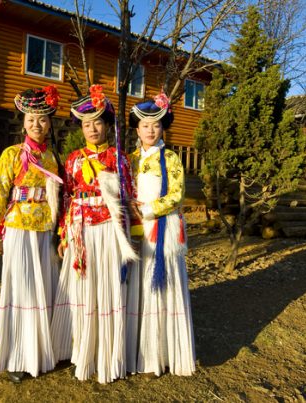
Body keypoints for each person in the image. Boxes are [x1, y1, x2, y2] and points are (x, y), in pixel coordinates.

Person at [50, 85, 140, 384]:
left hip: (110, 231)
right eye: (86, 124)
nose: (92, 129)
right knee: (84, 291)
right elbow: (66, 199)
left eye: (97, 123)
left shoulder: (119, 158)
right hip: (81, 231)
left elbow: (130, 197)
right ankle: (80, 351)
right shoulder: (73, 159)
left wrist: (135, 233)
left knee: (109, 289)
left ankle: (108, 355)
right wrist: (63, 235)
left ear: (107, 125)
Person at [0, 86, 63, 383]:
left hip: (45, 230)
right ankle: (18, 355)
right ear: (24, 122)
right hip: (18, 228)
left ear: (50, 123)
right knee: (21, 289)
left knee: (44, 288)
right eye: (32, 119)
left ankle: (44, 350)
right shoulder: (12, 154)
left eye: (43, 119)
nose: (37, 124)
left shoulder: (53, 159)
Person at [128, 92, 196, 377]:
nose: (150, 130)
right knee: (138, 289)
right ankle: (137, 351)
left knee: (162, 290)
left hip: (162, 229)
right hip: (136, 231)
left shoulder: (171, 158)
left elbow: (177, 195)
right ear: (137, 129)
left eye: (156, 125)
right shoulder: (129, 159)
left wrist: (147, 209)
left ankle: (162, 354)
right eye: (145, 125)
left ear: (162, 127)